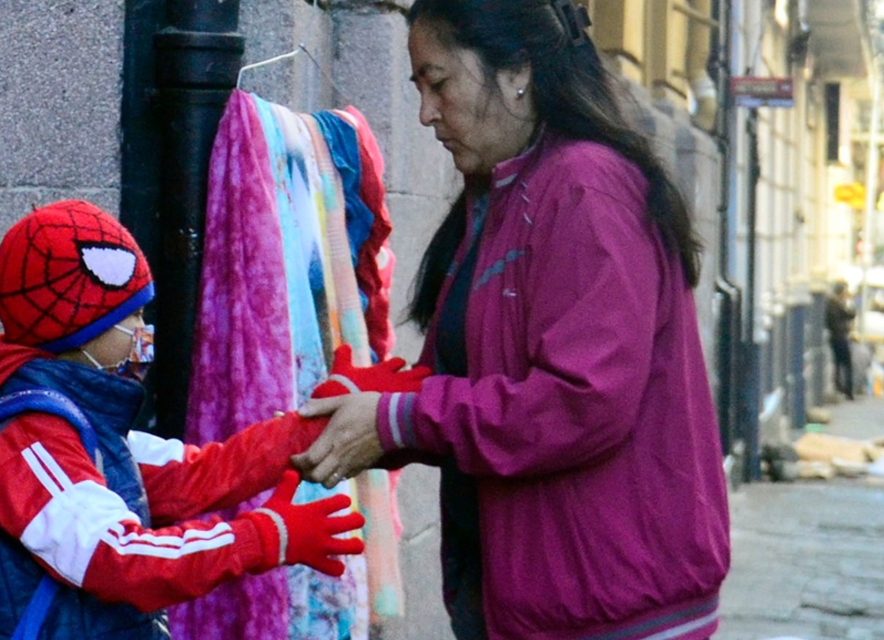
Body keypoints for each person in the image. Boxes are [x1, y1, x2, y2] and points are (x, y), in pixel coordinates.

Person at [291, 2, 730, 640]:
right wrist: (376, 414)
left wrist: (400, 418)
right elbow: (475, 382)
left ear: (517, 69)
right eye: (418, 89)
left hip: (612, 606)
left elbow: (580, 402)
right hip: (538, 596)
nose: (426, 114)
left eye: (438, 83)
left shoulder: (585, 187)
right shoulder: (502, 194)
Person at [0, 200, 427, 640]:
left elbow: (195, 476)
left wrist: (313, 424)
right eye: (131, 319)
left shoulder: (82, 423)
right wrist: (258, 538)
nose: (145, 335)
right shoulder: (27, 440)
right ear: (76, 328)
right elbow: (117, 558)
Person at [826, 280, 856, 400]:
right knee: (847, 364)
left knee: (837, 363)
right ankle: (848, 390)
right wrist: (850, 303)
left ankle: (838, 386)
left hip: (834, 336)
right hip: (840, 336)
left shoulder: (831, 303)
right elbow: (850, 314)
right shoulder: (837, 304)